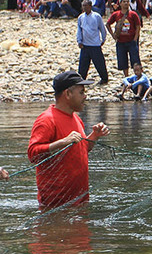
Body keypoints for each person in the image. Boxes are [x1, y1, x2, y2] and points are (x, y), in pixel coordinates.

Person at [27, 71, 110, 209]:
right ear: (67, 94)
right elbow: (33, 154)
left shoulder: (76, 118)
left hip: (80, 200)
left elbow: (81, 149)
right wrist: (62, 142)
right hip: (55, 205)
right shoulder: (46, 120)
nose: (85, 96)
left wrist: (95, 135)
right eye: (81, 92)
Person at [106, 0, 142, 77]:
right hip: (121, 41)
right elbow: (108, 24)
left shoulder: (133, 14)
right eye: (124, 2)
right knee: (123, 61)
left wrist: (135, 38)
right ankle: (126, 77)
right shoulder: (116, 14)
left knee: (135, 60)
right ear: (120, 4)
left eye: (127, 1)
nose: (126, 3)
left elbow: (137, 26)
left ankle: (137, 76)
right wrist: (113, 35)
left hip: (131, 40)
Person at [76, 0, 109, 85]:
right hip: (85, 45)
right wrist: (79, 41)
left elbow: (102, 28)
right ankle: (81, 79)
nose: (84, 8)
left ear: (90, 6)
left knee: (99, 63)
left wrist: (103, 39)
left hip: (95, 44)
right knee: (83, 64)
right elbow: (79, 30)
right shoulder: (81, 17)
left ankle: (104, 78)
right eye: (83, 6)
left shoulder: (96, 16)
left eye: (86, 6)